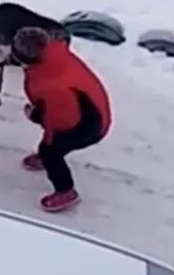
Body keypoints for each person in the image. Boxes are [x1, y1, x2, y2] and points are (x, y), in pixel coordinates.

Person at [11, 26, 112, 212]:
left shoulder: (52, 86)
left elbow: (62, 122)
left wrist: (35, 115)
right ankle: (46, 159)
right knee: (51, 144)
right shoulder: (55, 57)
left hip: (89, 126)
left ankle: (66, 190)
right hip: (92, 106)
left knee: (50, 150)